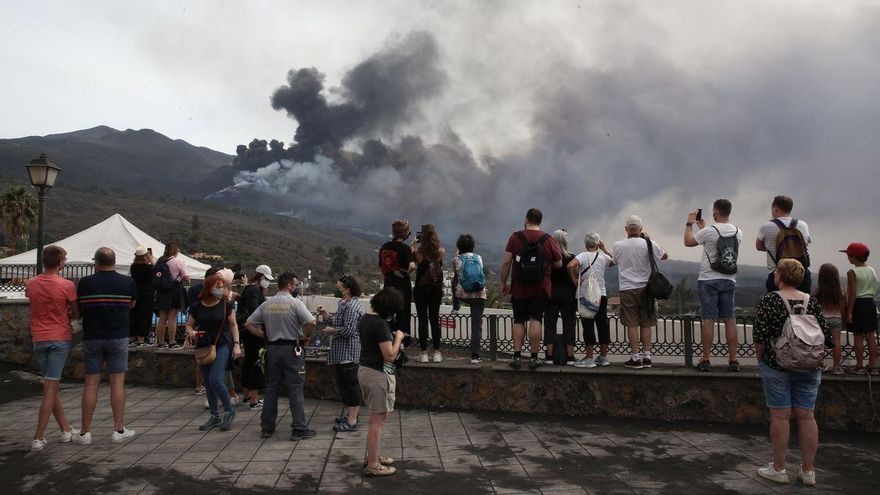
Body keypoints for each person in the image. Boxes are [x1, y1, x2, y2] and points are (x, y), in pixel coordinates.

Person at [753, 259, 831, 487]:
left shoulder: (771, 300)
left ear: (781, 276)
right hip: (809, 366)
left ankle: (779, 468)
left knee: (780, 416)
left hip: (777, 365)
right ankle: (808, 470)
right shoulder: (811, 301)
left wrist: (761, 361)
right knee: (807, 416)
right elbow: (826, 336)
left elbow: (760, 336)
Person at [72, 247, 137, 445]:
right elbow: (131, 305)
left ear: (97, 263)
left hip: (92, 337)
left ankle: (85, 433)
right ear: (114, 262)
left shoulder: (85, 283)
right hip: (118, 336)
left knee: (91, 384)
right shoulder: (128, 282)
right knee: (117, 382)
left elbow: (79, 308)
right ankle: (118, 429)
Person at [244, 272, 317, 440]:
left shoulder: (267, 304)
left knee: (271, 388)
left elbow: (249, 324)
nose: (296, 287)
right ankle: (299, 428)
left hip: (273, 349)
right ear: (290, 285)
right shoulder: (295, 303)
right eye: (295, 284)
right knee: (295, 388)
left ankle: (267, 427)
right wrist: (306, 337)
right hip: (292, 349)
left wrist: (265, 335)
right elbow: (311, 322)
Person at [25, 245, 80, 451]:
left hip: (39, 338)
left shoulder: (31, 283)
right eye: (65, 259)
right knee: (50, 386)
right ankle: (38, 437)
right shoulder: (67, 285)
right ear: (59, 262)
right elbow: (75, 313)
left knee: (51, 384)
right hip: (59, 337)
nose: (65, 261)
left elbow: (34, 301)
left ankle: (65, 429)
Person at [683, 200, 744, 372]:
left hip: (708, 279)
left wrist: (690, 223)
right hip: (729, 278)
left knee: (709, 318)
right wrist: (704, 228)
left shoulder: (710, 231)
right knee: (730, 319)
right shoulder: (739, 232)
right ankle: (733, 360)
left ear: (716, 211)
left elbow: (688, 242)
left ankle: (706, 359)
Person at [500, 208, 563, 371]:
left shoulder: (515, 237)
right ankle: (534, 358)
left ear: (526, 219)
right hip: (540, 287)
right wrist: (545, 264)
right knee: (536, 319)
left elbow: (507, 262)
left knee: (519, 320)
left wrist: (503, 283)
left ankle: (516, 356)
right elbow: (559, 263)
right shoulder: (548, 239)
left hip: (519, 286)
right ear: (540, 221)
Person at [185, 274, 242, 432]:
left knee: (216, 379)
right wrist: (191, 333)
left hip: (223, 343)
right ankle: (215, 415)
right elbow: (189, 325)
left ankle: (229, 411)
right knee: (208, 382)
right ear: (209, 287)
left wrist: (236, 344)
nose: (221, 289)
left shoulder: (226, 304)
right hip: (204, 345)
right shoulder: (198, 306)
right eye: (218, 286)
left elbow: (233, 325)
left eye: (222, 286)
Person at [358, 287, 405, 477]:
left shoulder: (365, 319)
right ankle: (372, 464)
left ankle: (374, 455)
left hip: (366, 370)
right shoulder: (380, 324)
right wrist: (399, 338)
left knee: (378, 418)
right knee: (376, 421)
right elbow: (389, 356)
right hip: (377, 374)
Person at [612, 215, 668, 369]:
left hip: (627, 288)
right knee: (646, 324)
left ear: (626, 229)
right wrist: (649, 240)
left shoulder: (618, 245)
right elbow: (664, 256)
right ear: (641, 229)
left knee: (632, 324)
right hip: (646, 289)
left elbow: (613, 261)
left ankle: (635, 357)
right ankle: (647, 356)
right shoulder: (649, 243)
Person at [317, 275, 366, 432]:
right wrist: (325, 315)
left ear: (347, 289)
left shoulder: (352, 307)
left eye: (339, 288)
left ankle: (352, 421)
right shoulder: (344, 304)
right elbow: (338, 321)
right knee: (344, 386)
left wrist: (333, 330)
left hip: (348, 352)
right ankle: (350, 415)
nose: (337, 290)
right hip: (341, 352)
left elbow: (349, 330)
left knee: (350, 386)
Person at [568, 233, 614, 368]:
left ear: (585, 244)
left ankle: (589, 358)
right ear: (597, 244)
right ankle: (603, 357)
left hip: (585, 296)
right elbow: (614, 262)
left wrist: (575, 279)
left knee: (588, 325)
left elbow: (570, 266)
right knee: (602, 325)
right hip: (602, 296)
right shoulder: (602, 257)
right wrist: (604, 249)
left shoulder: (583, 256)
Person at [236, 265, 274, 410]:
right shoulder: (254, 291)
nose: (267, 283)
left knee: (248, 362)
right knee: (255, 364)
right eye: (267, 279)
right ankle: (254, 400)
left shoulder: (248, 289)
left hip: (246, 333)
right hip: (254, 333)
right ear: (261, 277)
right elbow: (256, 312)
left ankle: (247, 395)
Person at [756, 195, 812, 293]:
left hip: (778, 276)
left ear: (775, 209)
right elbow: (806, 244)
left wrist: (772, 246)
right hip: (801, 275)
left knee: (777, 307)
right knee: (803, 306)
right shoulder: (803, 225)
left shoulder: (766, 226)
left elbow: (759, 246)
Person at [841, 242, 878, 374]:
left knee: (857, 335)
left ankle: (859, 364)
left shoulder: (852, 272)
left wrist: (849, 312)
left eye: (848, 255)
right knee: (870, 335)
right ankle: (872, 364)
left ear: (853, 257)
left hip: (858, 304)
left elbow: (852, 293)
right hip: (870, 304)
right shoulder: (872, 270)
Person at [412, 224, 446, 363]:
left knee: (422, 319)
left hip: (421, 287)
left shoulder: (419, 251)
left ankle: (424, 353)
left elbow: (418, 263)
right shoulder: (439, 251)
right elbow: (438, 264)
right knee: (434, 319)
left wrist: (413, 245)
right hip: (436, 288)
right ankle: (437, 352)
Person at [544, 229, 577, 365]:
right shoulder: (572, 257)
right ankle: (570, 357)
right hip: (568, 294)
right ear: (565, 241)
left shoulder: (549, 258)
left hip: (551, 293)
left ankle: (549, 357)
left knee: (549, 324)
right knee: (569, 324)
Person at [378, 219, 416, 339]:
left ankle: (388, 338)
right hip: (402, 286)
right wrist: (406, 271)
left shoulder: (384, 246)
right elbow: (412, 266)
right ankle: (401, 341)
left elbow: (382, 265)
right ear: (406, 233)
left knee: (389, 312)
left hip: (388, 284)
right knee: (403, 314)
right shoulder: (405, 248)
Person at [453, 234, 487, 364]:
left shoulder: (457, 259)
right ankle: (475, 356)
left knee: (452, 280)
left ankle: (456, 306)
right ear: (473, 246)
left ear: (459, 246)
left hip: (463, 294)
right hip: (479, 294)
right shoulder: (479, 258)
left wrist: (457, 255)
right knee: (476, 325)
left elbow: (457, 273)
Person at [187, 267, 218, 396]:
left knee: (200, 356)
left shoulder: (193, 289)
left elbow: (191, 307)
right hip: (209, 327)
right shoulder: (212, 292)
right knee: (207, 357)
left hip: (199, 327)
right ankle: (207, 385)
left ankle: (199, 386)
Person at [154, 242, 190, 349]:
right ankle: (171, 342)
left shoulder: (160, 261)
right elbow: (186, 277)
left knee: (162, 318)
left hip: (161, 291)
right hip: (174, 290)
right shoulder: (177, 261)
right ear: (175, 250)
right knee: (172, 318)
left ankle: (160, 342)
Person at [813, 263, 847, 375]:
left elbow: (814, 306)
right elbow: (842, 306)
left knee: (820, 342)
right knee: (836, 342)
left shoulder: (818, 291)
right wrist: (843, 317)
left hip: (822, 319)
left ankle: (820, 365)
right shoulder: (840, 291)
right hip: (836, 318)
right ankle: (836, 367)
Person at [128, 246, 155, 347]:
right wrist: (151, 260)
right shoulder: (150, 268)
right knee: (145, 315)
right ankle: (142, 339)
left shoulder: (133, 267)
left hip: (135, 292)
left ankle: (132, 337)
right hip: (147, 293)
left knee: (134, 314)